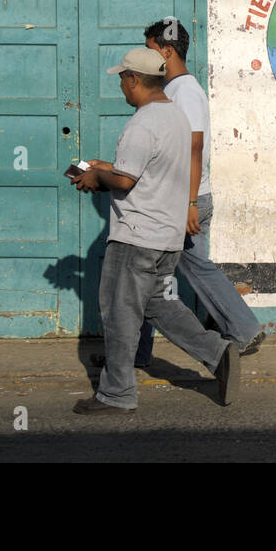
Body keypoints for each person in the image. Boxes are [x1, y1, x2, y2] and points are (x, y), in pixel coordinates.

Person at [70, 47, 239, 414]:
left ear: (133, 80)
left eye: (121, 79)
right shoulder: (176, 116)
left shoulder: (143, 122)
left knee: (119, 311)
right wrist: (106, 167)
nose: (120, 86)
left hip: (136, 235)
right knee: (158, 305)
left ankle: (116, 393)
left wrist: (96, 176)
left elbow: (126, 180)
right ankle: (218, 352)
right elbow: (148, 168)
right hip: (167, 236)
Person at [133, 18, 265, 369]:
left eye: (151, 51)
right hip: (181, 198)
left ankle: (243, 329)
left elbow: (193, 148)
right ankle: (136, 351)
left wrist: (189, 203)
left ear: (167, 51)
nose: (148, 60)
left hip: (185, 200)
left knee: (148, 274)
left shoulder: (184, 91)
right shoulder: (176, 89)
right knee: (154, 275)